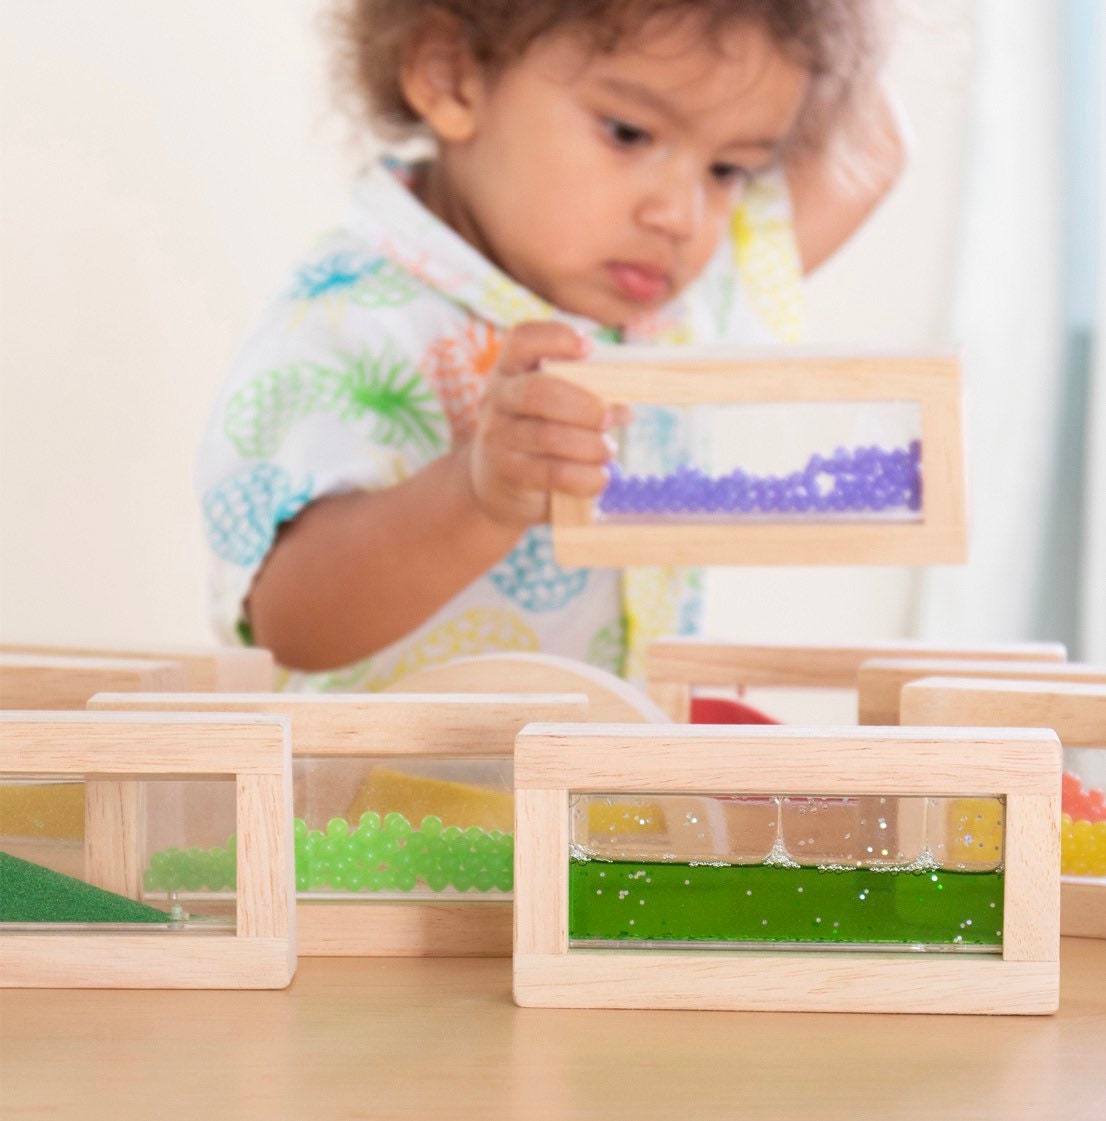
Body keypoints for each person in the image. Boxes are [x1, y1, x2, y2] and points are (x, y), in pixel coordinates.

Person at [196, 0, 904, 691]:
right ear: (450, 74)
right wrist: (477, 497)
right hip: (387, 808)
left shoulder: (678, 305)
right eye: (629, 132)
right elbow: (288, 621)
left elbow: (873, 150)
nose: (679, 215)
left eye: (727, 170)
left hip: (599, 799)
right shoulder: (352, 314)